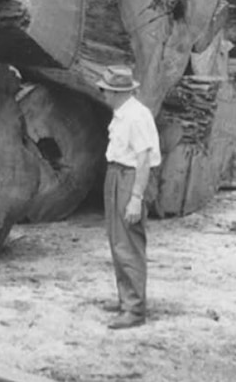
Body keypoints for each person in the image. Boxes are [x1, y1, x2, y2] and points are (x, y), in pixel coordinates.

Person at [96, 65, 161, 330]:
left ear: (118, 92)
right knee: (117, 239)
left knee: (129, 243)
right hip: (116, 174)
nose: (102, 94)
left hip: (130, 177)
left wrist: (136, 196)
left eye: (106, 90)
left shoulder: (137, 116)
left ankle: (134, 309)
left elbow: (144, 159)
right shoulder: (122, 113)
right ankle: (126, 298)